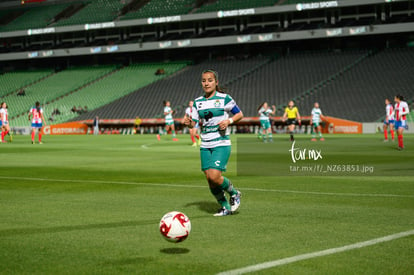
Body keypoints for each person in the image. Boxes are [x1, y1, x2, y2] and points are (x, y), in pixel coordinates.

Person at [183, 69, 243, 217]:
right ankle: (225, 207)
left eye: (210, 80)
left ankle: (235, 193)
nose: (206, 83)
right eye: (204, 80)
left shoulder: (224, 98)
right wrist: (189, 123)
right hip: (205, 145)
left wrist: (228, 121)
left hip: (221, 143)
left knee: (215, 176)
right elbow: (195, 124)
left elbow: (239, 114)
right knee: (210, 179)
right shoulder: (198, 102)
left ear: (216, 82)